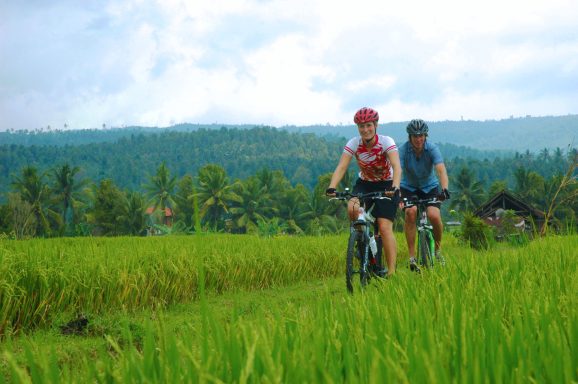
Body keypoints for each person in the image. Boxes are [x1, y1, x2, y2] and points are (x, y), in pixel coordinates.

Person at [326, 107, 402, 277]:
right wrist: (332, 186)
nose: (365, 129)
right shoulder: (354, 143)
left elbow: (397, 166)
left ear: (375, 125)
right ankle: (361, 242)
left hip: (387, 184)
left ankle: (391, 272)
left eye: (368, 125)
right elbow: (342, 166)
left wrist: (395, 186)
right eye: (361, 126)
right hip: (365, 183)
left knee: (384, 226)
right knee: (352, 208)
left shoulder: (385, 141)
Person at [399, 119, 450, 272]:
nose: (418, 139)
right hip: (409, 187)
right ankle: (412, 257)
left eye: (421, 136)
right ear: (410, 137)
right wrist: (398, 194)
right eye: (415, 136)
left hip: (430, 186)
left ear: (425, 136)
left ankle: (438, 251)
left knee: (434, 215)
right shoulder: (402, 150)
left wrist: (445, 189)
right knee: (411, 212)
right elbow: (398, 171)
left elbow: (441, 170)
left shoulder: (432, 148)